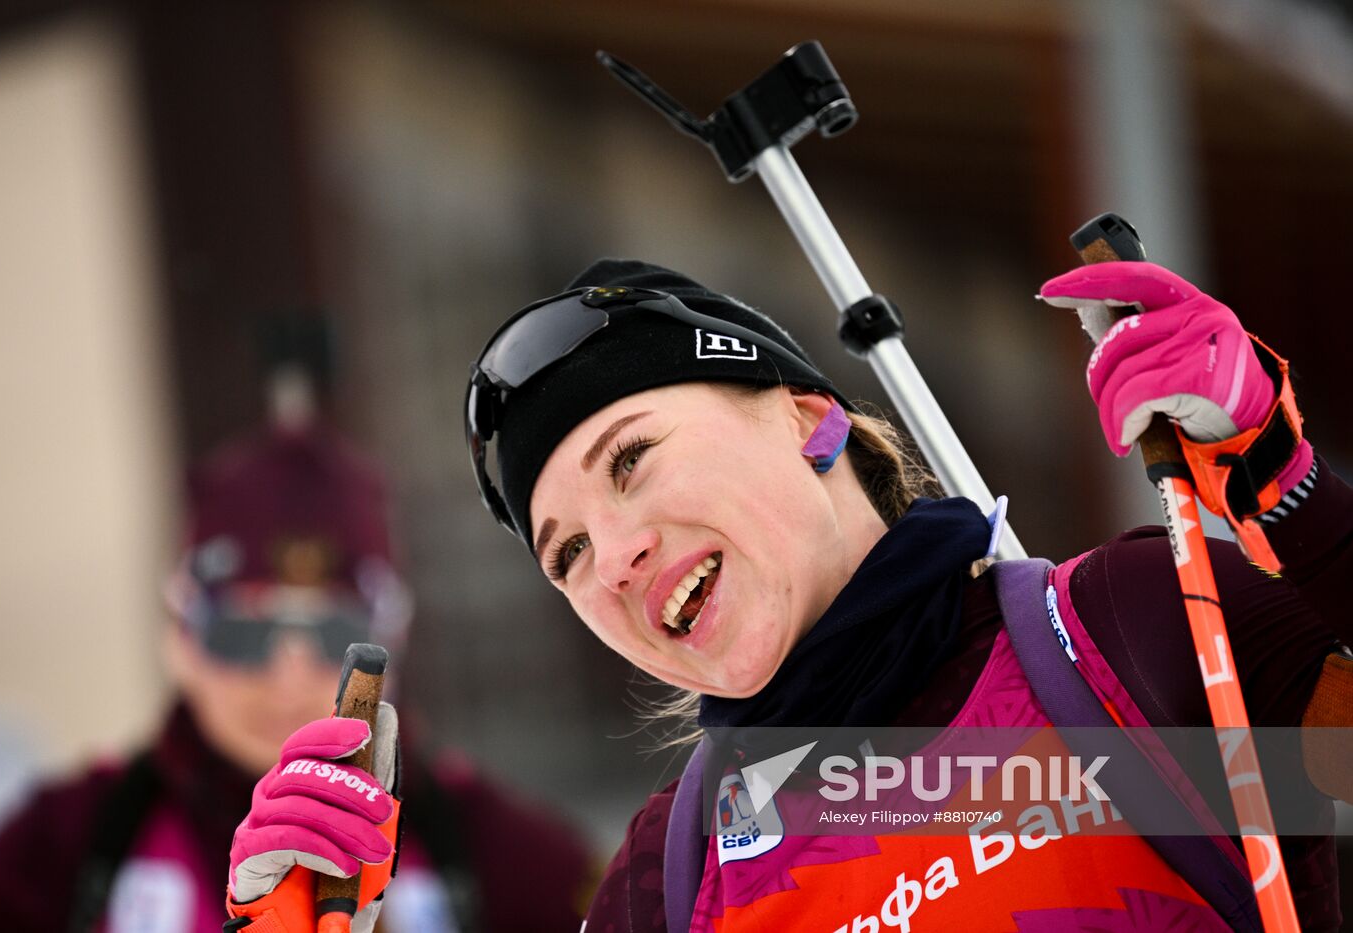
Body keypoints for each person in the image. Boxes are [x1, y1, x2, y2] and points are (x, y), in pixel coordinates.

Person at [228, 258, 1351, 931]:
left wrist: (1286, 491)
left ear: (806, 416)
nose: (609, 558)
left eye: (631, 460)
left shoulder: (1129, 639)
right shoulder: (675, 881)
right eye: (563, 555)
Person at [0, 411, 593, 932]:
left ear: (389, 646)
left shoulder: (509, 861)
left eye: (335, 636)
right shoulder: (58, 849)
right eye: (243, 633)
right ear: (179, 640)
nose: (288, 680)